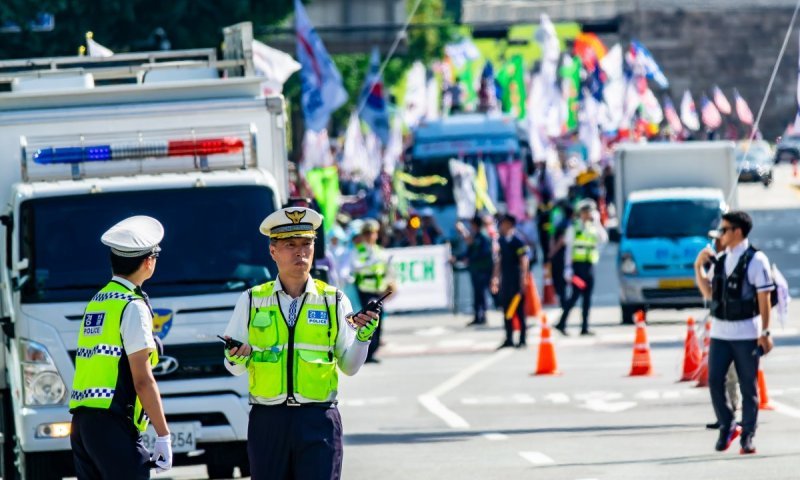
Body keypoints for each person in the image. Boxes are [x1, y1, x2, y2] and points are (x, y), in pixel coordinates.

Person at [221, 207, 380, 479]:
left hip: (318, 420)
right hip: (268, 421)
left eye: (306, 243)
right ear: (273, 252)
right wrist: (236, 356)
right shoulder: (251, 300)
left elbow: (350, 367)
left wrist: (363, 338)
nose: (300, 252)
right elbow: (232, 366)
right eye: (290, 245)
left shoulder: (334, 300)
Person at [70, 216, 172, 479]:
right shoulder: (132, 305)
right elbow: (142, 380)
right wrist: (163, 435)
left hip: (83, 423)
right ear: (149, 262)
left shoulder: (99, 300)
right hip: (111, 422)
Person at [694, 211, 774, 454]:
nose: (721, 234)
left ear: (737, 232)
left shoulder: (756, 260)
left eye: (724, 229)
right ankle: (728, 424)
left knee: (748, 387)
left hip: (746, 333)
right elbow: (709, 294)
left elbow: (764, 297)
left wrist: (766, 332)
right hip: (720, 332)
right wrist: (698, 267)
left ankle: (748, 435)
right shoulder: (720, 258)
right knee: (715, 381)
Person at [555, 199, 607, 336]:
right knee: (574, 296)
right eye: (585, 212)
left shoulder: (593, 228)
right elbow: (568, 250)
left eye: (589, 212)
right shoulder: (574, 228)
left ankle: (584, 327)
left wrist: (597, 222)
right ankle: (561, 323)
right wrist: (568, 268)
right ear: (580, 213)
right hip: (577, 267)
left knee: (587, 298)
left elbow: (604, 239)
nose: (587, 215)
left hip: (589, 265)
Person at [352, 219, 393, 363]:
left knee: (378, 322)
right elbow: (355, 267)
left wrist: (391, 283)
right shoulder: (359, 251)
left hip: (379, 290)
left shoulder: (380, 251)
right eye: (367, 233)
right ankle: (366, 353)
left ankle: (373, 351)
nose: (370, 236)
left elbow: (387, 269)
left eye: (373, 233)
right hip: (365, 290)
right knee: (368, 321)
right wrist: (369, 262)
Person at [491, 213, 530, 348]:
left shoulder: (517, 240)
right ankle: (509, 338)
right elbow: (498, 262)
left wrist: (524, 278)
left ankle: (523, 339)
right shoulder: (501, 241)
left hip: (517, 278)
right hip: (506, 280)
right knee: (507, 310)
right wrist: (495, 278)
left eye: (503, 223)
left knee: (519, 310)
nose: (501, 226)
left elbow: (524, 260)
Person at [457, 216, 495, 326]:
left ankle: (483, 315)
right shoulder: (475, 236)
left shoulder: (483, 236)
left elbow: (484, 253)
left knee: (482, 293)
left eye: (472, 225)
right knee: (477, 294)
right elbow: (468, 251)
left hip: (483, 269)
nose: (471, 227)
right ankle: (477, 316)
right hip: (475, 269)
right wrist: (458, 258)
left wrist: (470, 259)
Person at [548, 200, 575, 310]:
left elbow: (558, 239)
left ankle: (563, 301)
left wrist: (552, 252)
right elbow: (560, 239)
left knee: (560, 278)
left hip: (560, 255)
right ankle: (563, 301)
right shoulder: (569, 224)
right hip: (562, 255)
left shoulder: (562, 223)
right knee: (561, 278)